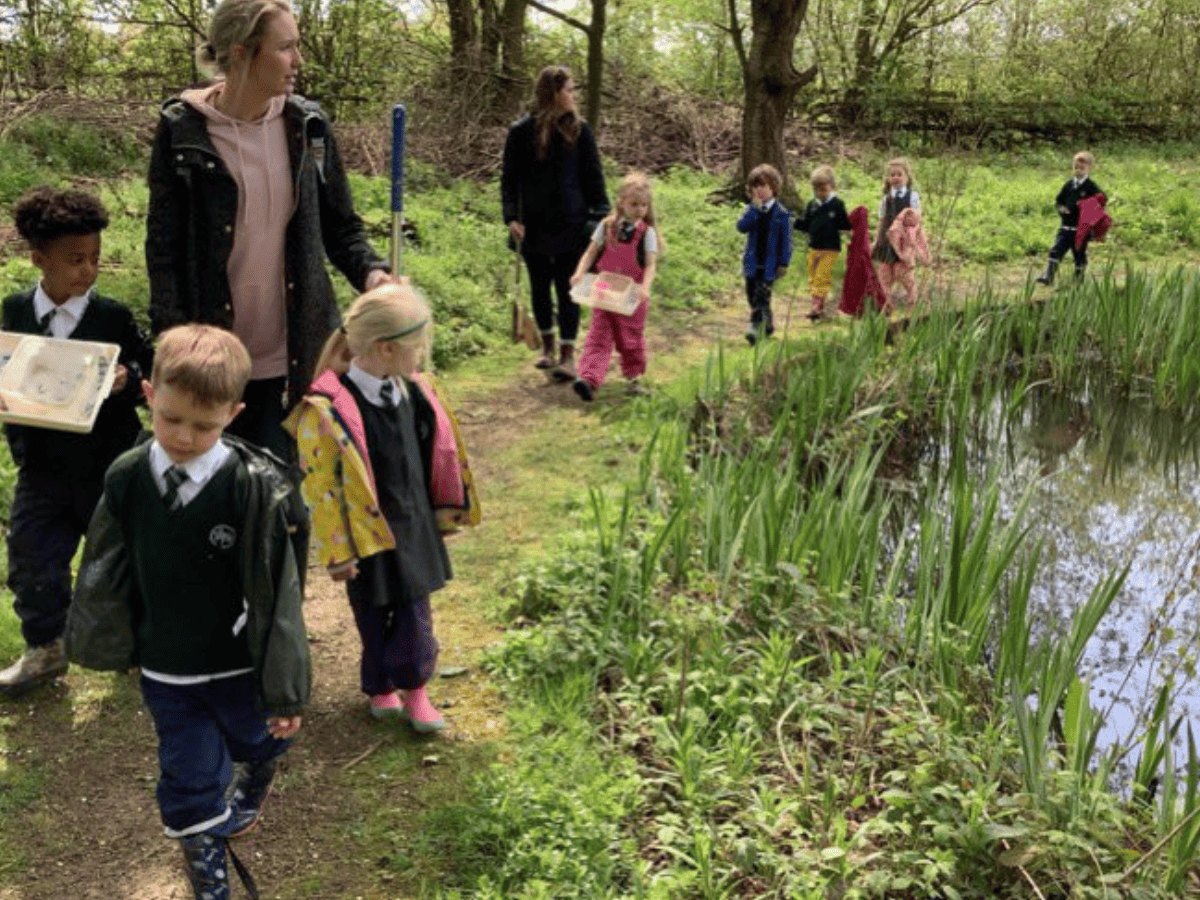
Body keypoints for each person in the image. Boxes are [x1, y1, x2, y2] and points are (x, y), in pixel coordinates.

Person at [65, 324, 310, 900]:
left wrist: (286, 687)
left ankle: (260, 765)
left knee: (256, 736)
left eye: (205, 425)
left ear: (235, 412)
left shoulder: (250, 485)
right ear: (149, 395)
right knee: (189, 769)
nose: (185, 436)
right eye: (171, 419)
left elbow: (279, 592)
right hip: (166, 663)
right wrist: (115, 642)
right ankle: (206, 864)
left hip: (235, 660)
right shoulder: (127, 477)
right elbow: (108, 565)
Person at [145, 0, 391, 461]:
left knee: (290, 511)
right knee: (221, 513)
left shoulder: (308, 126)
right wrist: (172, 341)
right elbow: (163, 249)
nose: (298, 60)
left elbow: (341, 228)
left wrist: (373, 274)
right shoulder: (182, 132)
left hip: (299, 360)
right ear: (241, 53)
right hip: (214, 365)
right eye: (286, 48)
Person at [287, 285, 478, 733]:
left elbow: (438, 454)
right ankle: (378, 685)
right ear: (388, 348)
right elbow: (322, 486)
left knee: (414, 613)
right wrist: (338, 550)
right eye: (418, 348)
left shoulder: (412, 392)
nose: (423, 358)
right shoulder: (329, 409)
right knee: (371, 612)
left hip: (411, 528)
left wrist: (445, 511)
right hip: (365, 534)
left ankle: (416, 689)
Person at [0, 186, 154, 698]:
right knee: (30, 559)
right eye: (74, 260)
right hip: (41, 469)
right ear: (39, 259)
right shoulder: (15, 313)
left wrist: (125, 381)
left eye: (94, 259)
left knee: (118, 559)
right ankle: (45, 648)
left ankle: (133, 646)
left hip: (106, 467)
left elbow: (144, 371)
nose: (87, 270)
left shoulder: (112, 317)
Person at [501, 65, 610, 380]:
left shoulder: (580, 130)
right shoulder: (520, 132)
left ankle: (566, 353)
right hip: (533, 225)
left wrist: (598, 219)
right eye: (568, 90)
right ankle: (546, 348)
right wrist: (511, 218)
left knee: (568, 288)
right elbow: (510, 181)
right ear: (552, 92)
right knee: (539, 287)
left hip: (572, 225)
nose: (573, 96)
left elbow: (594, 179)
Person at [569, 172, 661, 401]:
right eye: (633, 204)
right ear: (621, 202)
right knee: (597, 335)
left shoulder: (647, 234)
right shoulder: (607, 226)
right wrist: (580, 272)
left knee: (630, 340)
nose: (639, 209)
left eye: (643, 205)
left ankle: (634, 377)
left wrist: (645, 288)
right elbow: (591, 252)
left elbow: (650, 265)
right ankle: (589, 379)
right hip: (605, 290)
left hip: (632, 297)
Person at [737, 163, 793, 345]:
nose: (759, 190)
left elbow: (786, 242)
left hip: (770, 263)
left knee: (762, 294)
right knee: (752, 293)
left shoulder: (781, 214)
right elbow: (742, 227)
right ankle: (767, 323)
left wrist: (784, 263)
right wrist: (753, 208)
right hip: (753, 261)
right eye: (755, 187)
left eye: (764, 186)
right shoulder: (751, 210)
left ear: (774, 188)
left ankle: (755, 326)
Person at [793, 165, 852, 321]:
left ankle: (817, 307)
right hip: (814, 247)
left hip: (830, 248)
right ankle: (817, 302)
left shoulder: (837, 205)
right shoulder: (812, 205)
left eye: (824, 189)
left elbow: (844, 224)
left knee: (822, 275)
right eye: (817, 189)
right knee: (813, 277)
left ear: (832, 186)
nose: (821, 193)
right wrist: (791, 223)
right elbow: (804, 224)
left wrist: (852, 237)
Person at [1036, 151, 1104, 286]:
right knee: (1057, 250)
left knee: (1078, 254)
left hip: (1080, 229)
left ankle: (1078, 280)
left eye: (1082, 168)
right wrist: (1061, 208)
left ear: (1089, 168)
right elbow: (1059, 200)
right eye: (1076, 168)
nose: (1078, 170)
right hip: (1066, 226)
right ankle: (1048, 276)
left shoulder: (1091, 187)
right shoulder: (1069, 185)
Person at [871, 157, 921, 312]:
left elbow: (917, 218)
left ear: (907, 177)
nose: (896, 178)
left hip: (903, 241)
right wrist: (876, 241)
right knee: (883, 276)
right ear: (888, 179)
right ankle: (887, 307)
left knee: (905, 275)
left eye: (899, 174)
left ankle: (912, 307)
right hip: (886, 241)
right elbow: (881, 220)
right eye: (892, 175)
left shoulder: (912, 197)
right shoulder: (886, 199)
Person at [883, 207, 931, 308]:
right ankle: (888, 307)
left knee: (910, 285)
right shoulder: (896, 228)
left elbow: (922, 243)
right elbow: (894, 240)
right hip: (891, 260)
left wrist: (924, 256)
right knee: (887, 283)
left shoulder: (915, 228)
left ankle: (910, 307)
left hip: (905, 261)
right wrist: (902, 254)